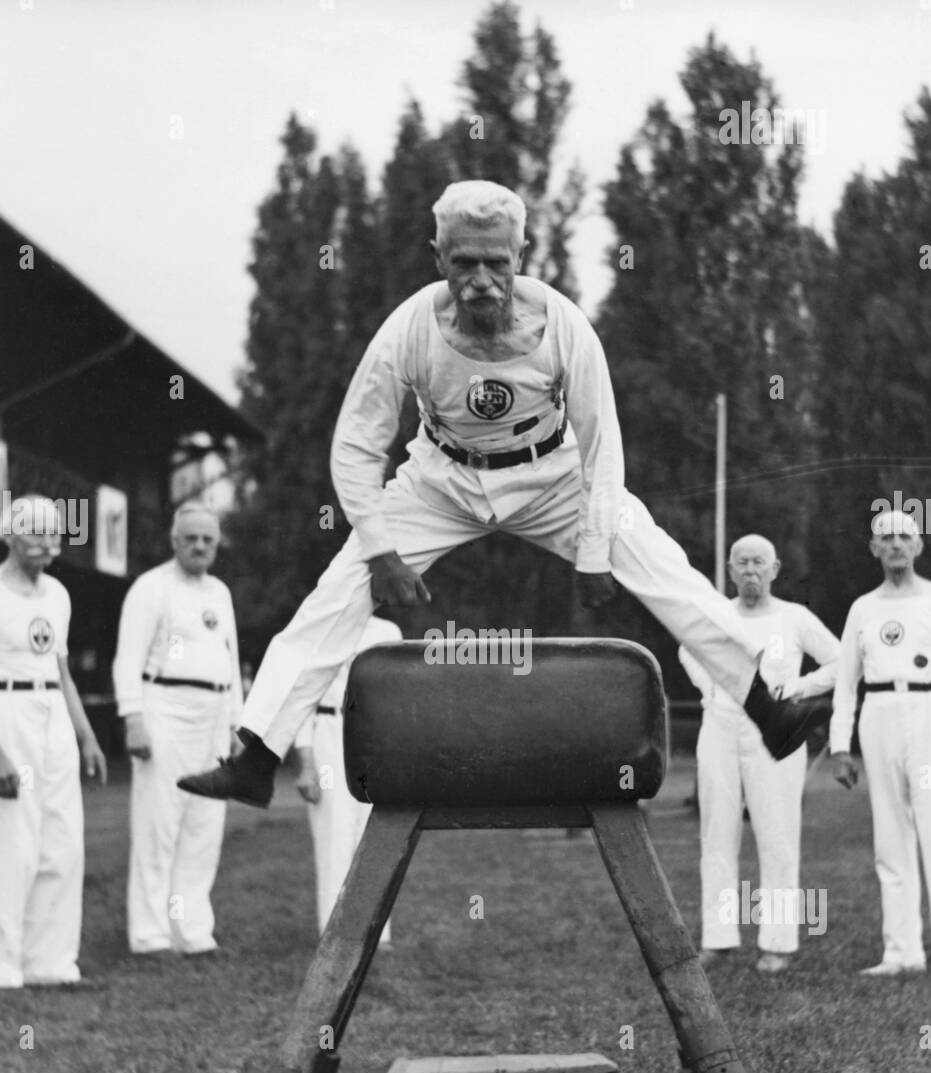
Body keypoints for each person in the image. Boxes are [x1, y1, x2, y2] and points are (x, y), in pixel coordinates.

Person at [178, 180, 824, 811]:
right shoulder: (409, 327)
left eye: (496, 263)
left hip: (553, 476)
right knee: (337, 594)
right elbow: (356, 445)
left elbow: (604, 448)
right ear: (439, 259)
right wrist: (378, 548)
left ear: (522, 255)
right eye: (463, 263)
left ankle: (769, 710)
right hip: (441, 480)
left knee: (662, 566)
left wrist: (596, 550)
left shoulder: (565, 325)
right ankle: (256, 759)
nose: (480, 280)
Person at [679, 535, 839, 973]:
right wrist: (713, 688)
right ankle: (718, 937)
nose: (750, 570)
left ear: (775, 568)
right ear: (730, 570)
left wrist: (799, 689)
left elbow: (840, 662)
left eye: (759, 563)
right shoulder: (714, 614)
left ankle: (778, 943)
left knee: (778, 834)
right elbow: (687, 650)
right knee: (717, 832)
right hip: (720, 725)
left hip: (777, 731)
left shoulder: (795, 617)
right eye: (742, 563)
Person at [112, 501, 243, 955]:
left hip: (212, 714)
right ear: (174, 541)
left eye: (208, 539)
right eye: (191, 538)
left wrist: (234, 725)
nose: (200, 546)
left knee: (203, 826)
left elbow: (230, 659)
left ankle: (192, 930)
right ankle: (149, 935)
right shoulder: (151, 588)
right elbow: (127, 658)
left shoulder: (220, 593)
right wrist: (133, 719)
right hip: (163, 707)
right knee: (158, 824)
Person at [831, 509, 931, 983]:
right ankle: (901, 951)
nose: (897, 544)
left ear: (919, 545)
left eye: (905, 535)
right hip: (880, 715)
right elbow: (846, 683)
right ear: (874, 548)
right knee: (890, 836)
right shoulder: (863, 608)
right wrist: (841, 745)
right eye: (887, 537)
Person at [0, 494, 107, 989]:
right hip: (9, 715)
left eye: (54, 534)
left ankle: (52, 961)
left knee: (61, 838)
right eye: (36, 533)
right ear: (9, 535)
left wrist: (86, 736)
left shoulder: (58, 595)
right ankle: (5, 964)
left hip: (53, 719)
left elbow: (62, 673)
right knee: (12, 841)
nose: (47, 543)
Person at [292, 614, 402, 943]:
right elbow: (303, 698)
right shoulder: (324, 625)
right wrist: (306, 761)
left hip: (375, 738)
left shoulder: (388, 631)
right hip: (330, 734)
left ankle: (374, 933)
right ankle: (336, 931)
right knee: (334, 837)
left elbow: (395, 694)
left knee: (374, 837)